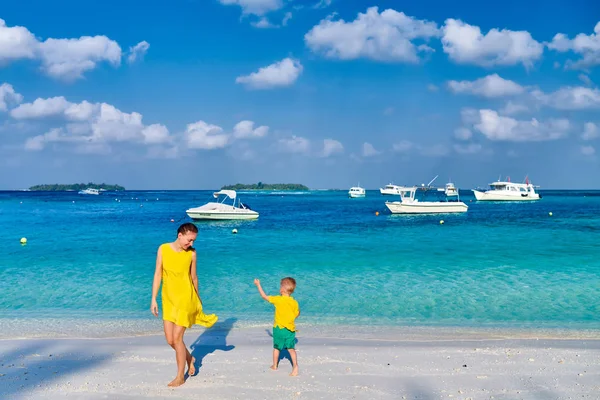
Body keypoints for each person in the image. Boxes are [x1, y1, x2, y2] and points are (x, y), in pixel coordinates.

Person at [151, 223, 218, 387]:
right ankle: (190, 358)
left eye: (193, 241)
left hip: (186, 299)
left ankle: (180, 376)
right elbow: (158, 273)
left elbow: (194, 277)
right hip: (168, 299)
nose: (191, 244)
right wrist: (153, 298)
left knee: (177, 338)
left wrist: (198, 299)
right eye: (189, 240)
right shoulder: (163, 249)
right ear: (180, 235)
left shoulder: (192, 254)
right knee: (170, 340)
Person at [253, 277, 300, 376]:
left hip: (278, 329)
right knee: (291, 349)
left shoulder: (278, 299)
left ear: (282, 289)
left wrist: (258, 285)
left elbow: (264, 296)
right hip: (290, 329)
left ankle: (275, 365)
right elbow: (297, 313)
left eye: (280, 286)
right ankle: (295, 367)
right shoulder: (294, 302)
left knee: (277, 348)